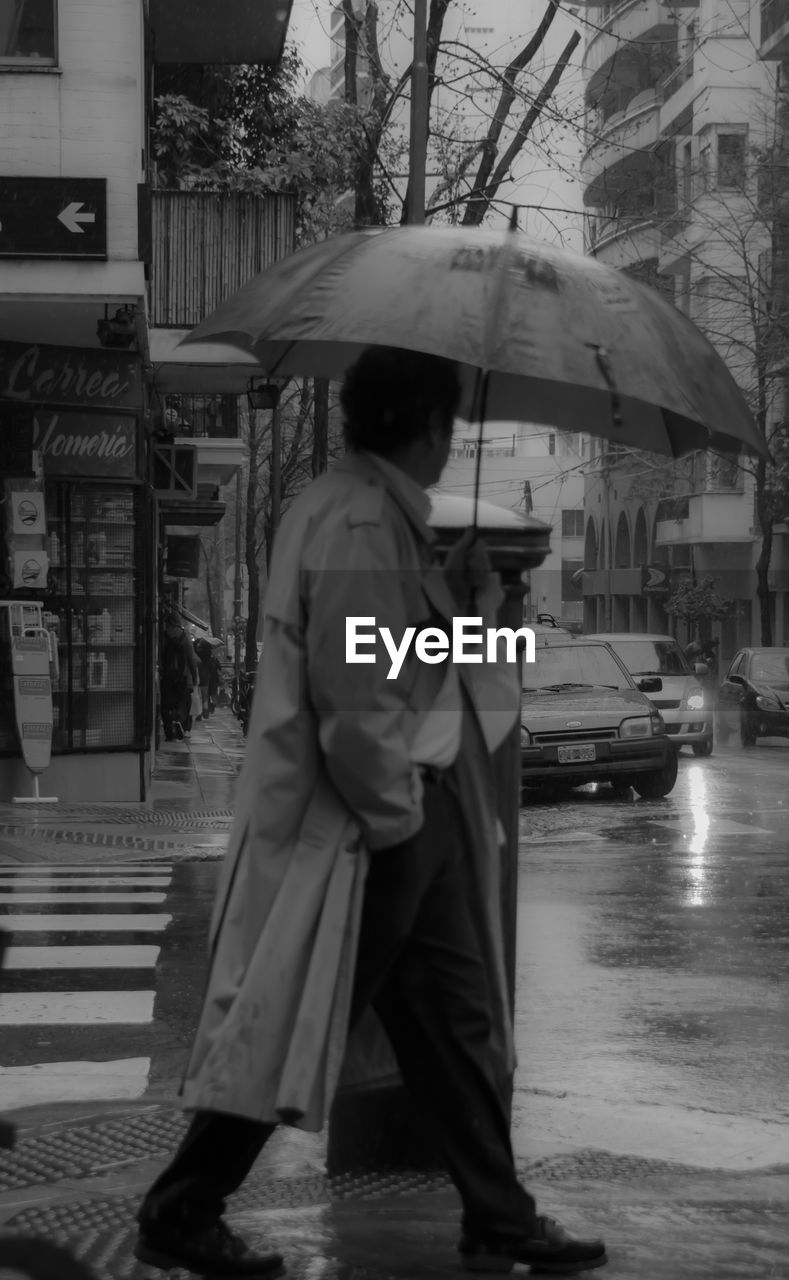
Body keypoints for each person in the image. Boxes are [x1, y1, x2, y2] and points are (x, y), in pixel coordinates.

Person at [134, 347, 608, 1278]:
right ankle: (182, 1206)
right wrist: (397, 823)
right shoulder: (359, 523)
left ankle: (497, 1213)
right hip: (366, 824)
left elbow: (398, 656)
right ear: (427, 427)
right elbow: (354, 694)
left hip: (388, 817)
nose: (453, 444)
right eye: (452, 426)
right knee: (292, 1015)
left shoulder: (364, 513)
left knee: (454, 1022)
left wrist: (465, 597)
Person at [160, 611, 200, 741]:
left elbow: (159, 656)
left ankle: (169, 731)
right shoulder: (185, 637)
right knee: (183, 702)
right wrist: (194, 677)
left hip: (166, 676)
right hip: (182, 677)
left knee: (166, 704)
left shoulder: (164, 636)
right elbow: (191, 659)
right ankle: (179, 722)